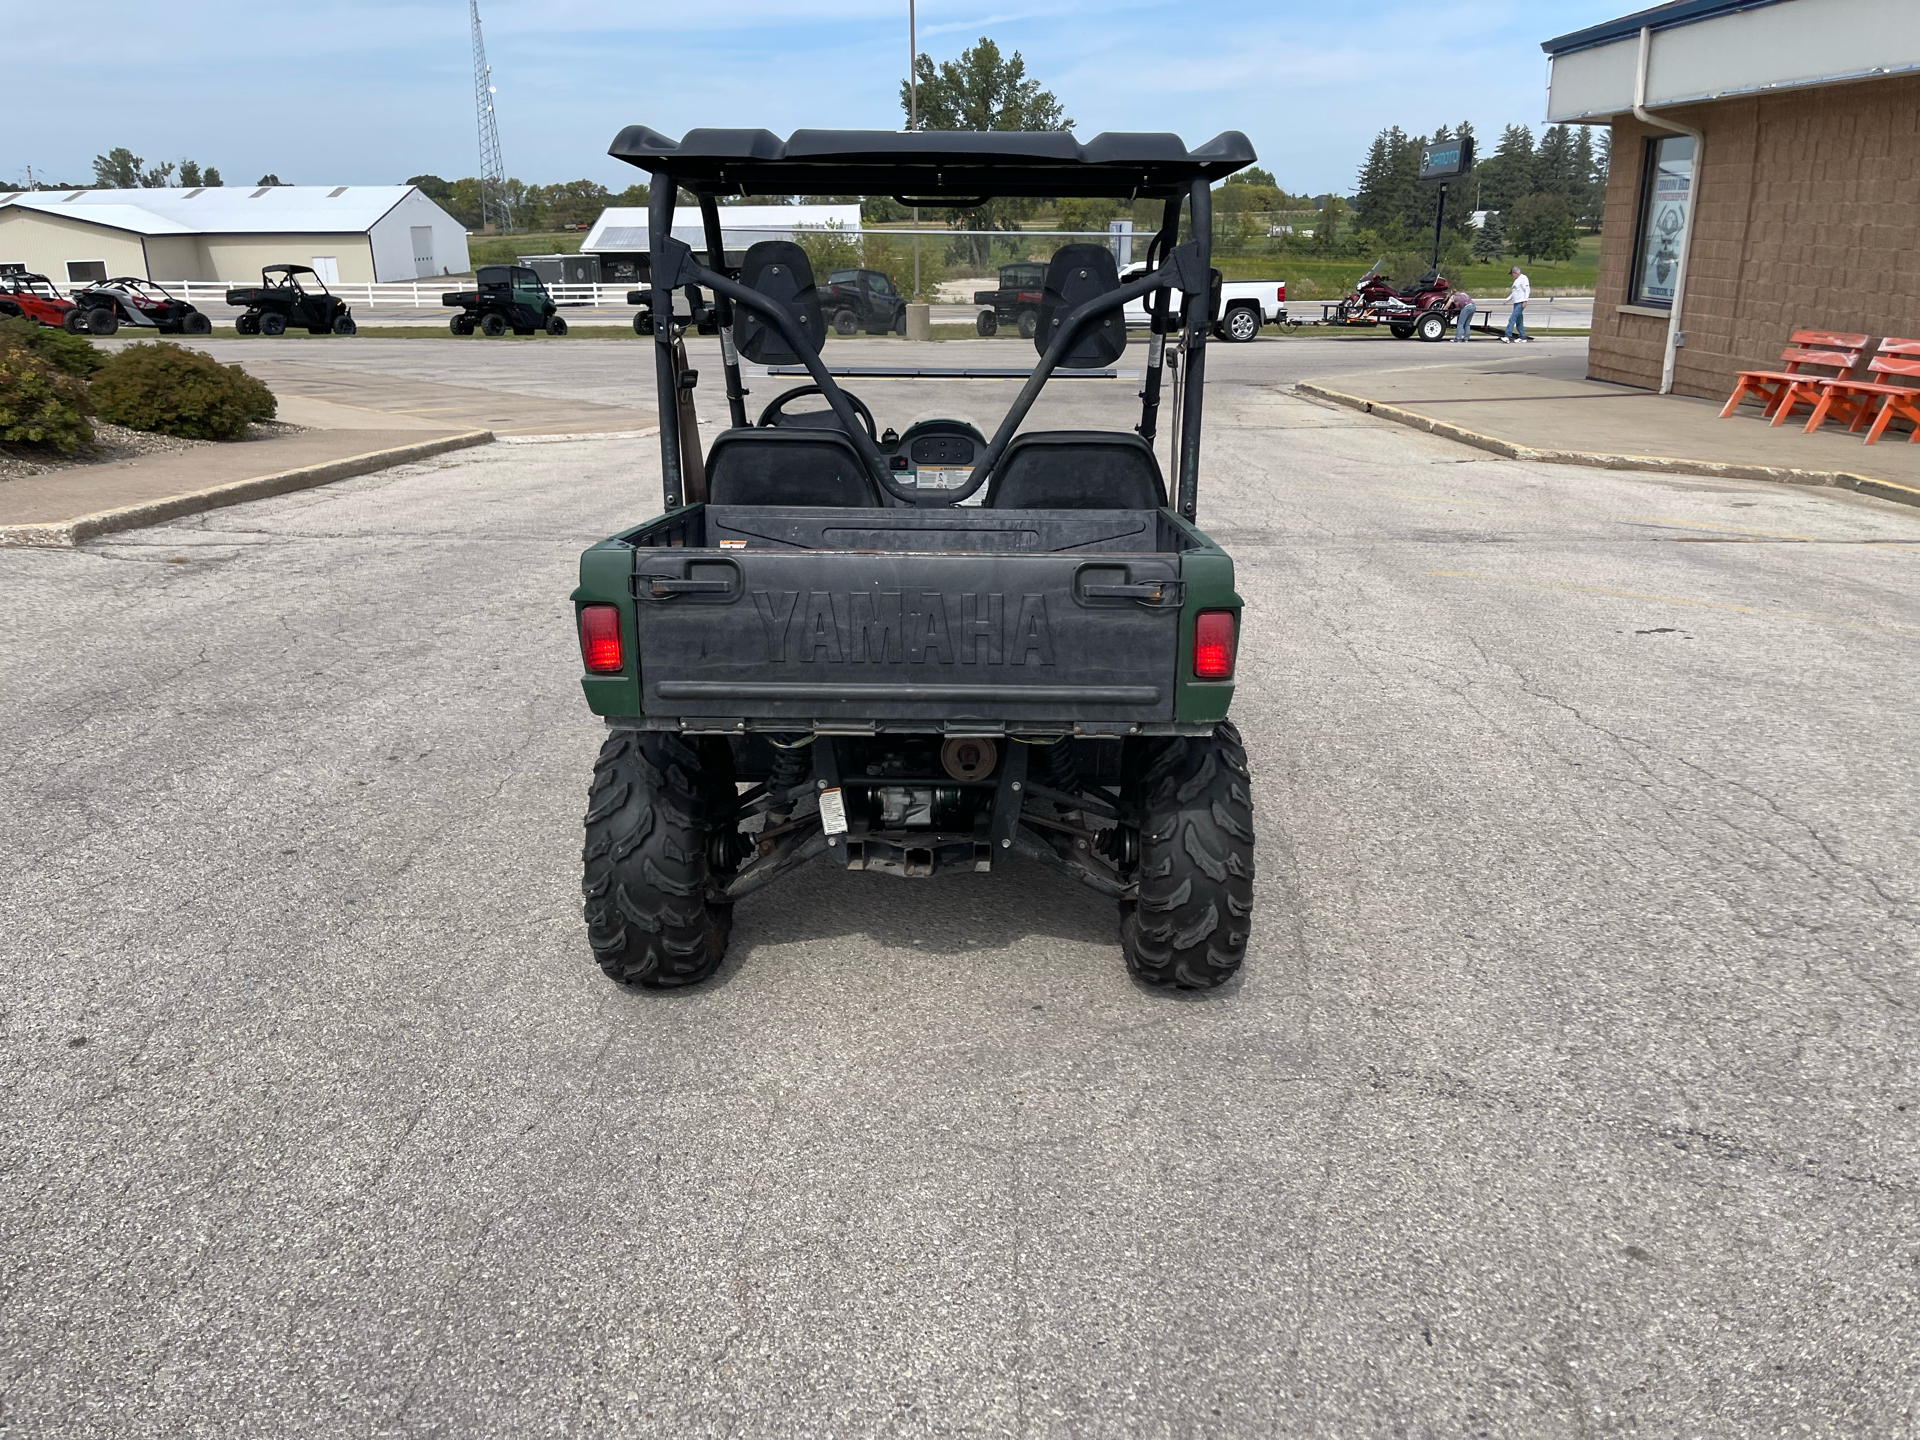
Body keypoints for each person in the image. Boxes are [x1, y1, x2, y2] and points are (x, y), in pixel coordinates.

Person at [1502, 266, 1531, 343]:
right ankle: (1522, 337)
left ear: (1515, 273)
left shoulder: (1523, 278)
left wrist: (1525, 301)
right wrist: (1507, 299)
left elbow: (1527, 290)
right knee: (1519, 320)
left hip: (1520, 302)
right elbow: (1514, 293)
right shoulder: (1516, 281)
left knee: (1512, 318)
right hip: (1516, 302)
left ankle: (1507, 336)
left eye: (1512, 274)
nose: (1512, 276)